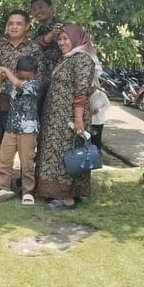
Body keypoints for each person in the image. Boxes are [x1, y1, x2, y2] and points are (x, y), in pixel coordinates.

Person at [35, 24, 101, 209]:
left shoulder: (82, 59)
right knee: (56, 154)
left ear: (77, 38)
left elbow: (81, 92)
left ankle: (68, 197)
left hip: (70, 118)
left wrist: (78, 119)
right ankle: (55, 191)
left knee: (69, 153)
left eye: (66, 38)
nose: (62, 42)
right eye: (60, 39)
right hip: (56, 118)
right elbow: (41, 45)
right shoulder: (67, 59)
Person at [0, 9, 44, 187]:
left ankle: (26, 185)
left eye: (18, 23)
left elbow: (39, 79)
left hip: (27, 110)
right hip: (2, 106)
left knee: (27, 152)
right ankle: (4, 185)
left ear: (27, 26)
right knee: (2, 147)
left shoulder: (34, 49)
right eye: (11, 23)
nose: (14, 27)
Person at [0, 55, 43, 205]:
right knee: (4, 159)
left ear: (34, 73)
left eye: (29, 73)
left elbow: (18, 83)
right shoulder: (13, 81)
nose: (27, 76)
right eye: (23, 72)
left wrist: (6, 71)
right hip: (11, 127)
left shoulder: (36, 83)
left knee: (27, 162)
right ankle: (4, 188)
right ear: (18, 71)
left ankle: (28, 191)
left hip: (28, 129)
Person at [30, 0, 63, 76]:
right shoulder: (38, 32)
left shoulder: (63, 28)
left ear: (50, 7)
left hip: (60, 76)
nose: (38, 11)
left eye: (40, 7)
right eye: (34, 10)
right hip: (41, 78)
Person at [89, 83, 110, 151]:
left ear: (95, 86)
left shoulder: (101, 94)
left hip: (98, 120)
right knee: (90, 138)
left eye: (92, 87)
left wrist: (99, 110)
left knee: (96, 139)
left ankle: (97, 153)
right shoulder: (89, 95)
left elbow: (107, 105)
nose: (91, 88)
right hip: (90, 120)